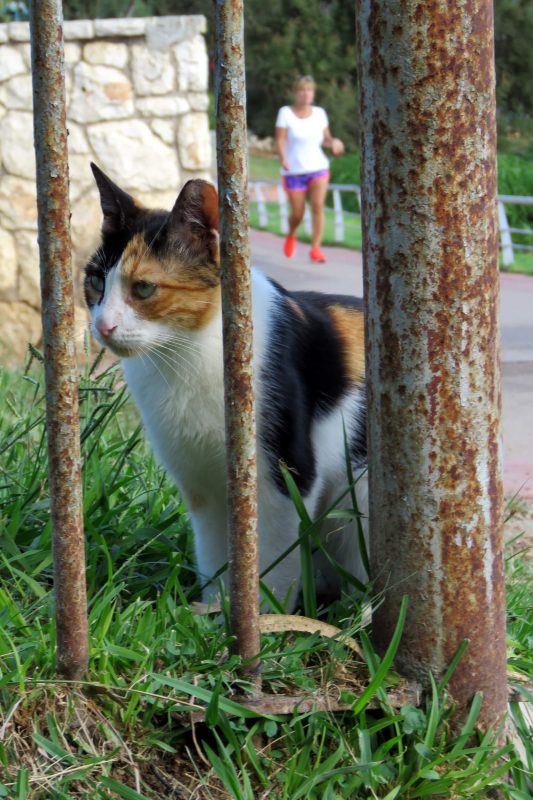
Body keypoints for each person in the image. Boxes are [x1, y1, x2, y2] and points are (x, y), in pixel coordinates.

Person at [275, 75, 344, 263]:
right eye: (302, 90)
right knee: (298, 213)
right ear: (296, 93)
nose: (306, 94)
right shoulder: (285, 113)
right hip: (294, 170)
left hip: (318, 167)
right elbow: (280, 139)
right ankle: (291, 233)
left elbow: (326, 138)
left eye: (310, 90)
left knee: (317, 206)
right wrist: (283, 158)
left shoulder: (320, 113)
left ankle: (315, 248)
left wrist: (334, 143)